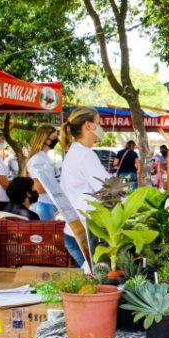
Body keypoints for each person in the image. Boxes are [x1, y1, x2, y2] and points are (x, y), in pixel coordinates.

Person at [59, 106, 110, 267]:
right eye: (99, 123)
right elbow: (107, 189)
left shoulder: (75, 151)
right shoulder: (85, 155)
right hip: (84, 233)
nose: (101, 128)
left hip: (74, 230)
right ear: (88, 125)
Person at [25, 124, 60, 221]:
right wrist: (59, 185)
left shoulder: (45, 157)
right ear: (44, 139)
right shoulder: (37, 159)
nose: (56, 140)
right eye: (53, 137)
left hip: (47, 204)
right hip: (42, 205)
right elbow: (38, 188)